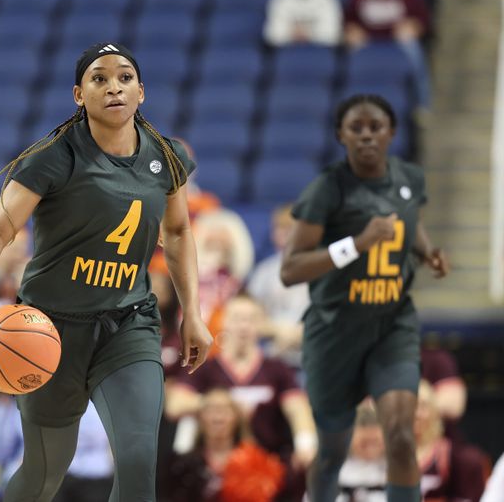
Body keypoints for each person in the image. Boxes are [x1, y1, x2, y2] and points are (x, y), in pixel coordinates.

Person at [0, 42, 213, 502]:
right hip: (50, 333)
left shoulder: (166, 156)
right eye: (99, 78)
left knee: (138, 466)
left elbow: (176, 233)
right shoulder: (54, 156)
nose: (113, 86)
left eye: (124, 77)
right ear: (79, 95)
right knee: (43, 471)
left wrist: (193, 312)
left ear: (141, 92)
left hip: (128, 324)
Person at [280, 94, 449, 502]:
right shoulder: (327, 189)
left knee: (402, 437)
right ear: (341, 135)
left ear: (391, 132)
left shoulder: (410, 178)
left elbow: (411, 223)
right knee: (333, 452)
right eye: (357, 128)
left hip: (392, 325)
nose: (367, 136)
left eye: (376, 127)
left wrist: (426, 251)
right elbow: (290, 269)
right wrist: (357, 244)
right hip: (334, 331)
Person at [165, 294, 316, 501]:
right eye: (237, 318)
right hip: (213, 466)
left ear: (261, 324)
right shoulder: (206, 368)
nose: (244, 326)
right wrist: (222, 405)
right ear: (225, 322)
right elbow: (175, 405)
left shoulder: (277, 369)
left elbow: (297, 407)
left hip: (265, 465)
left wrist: (305, 442)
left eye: (251, 319)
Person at [344, 0, 431, 108]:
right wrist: (350, 30)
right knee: (349, 51)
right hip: (367, 42)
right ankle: (348, 100)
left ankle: (421, 103)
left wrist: (415, 27)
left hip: (397, 42)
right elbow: (348, 20)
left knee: (413, 48)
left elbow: (423, 20)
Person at [247, 204, 310, 366]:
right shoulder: (264, 272)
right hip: (273, 352)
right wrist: (277, 331)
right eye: (279, 229)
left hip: (311, 352)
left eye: (289, 229)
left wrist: (299, 334)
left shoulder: (320, 268)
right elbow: (252, 316)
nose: (283, 235)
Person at [415, 380, 486, 502]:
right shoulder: (388, 452)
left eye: (423, 406)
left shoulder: (449, 455)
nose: (416, 414)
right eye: (411, 406)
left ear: (434, 411)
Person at [263, 0, 343, 47]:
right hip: (289, 53)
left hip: (319, 53)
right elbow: (272, 34)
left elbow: (332, 32)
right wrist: (293, 34)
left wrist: (308, 33)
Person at [337, 403, 387, 502]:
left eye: (375, 442)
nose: (371, 449)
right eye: (365, 443)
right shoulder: (334, 470)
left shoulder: (397, 470)